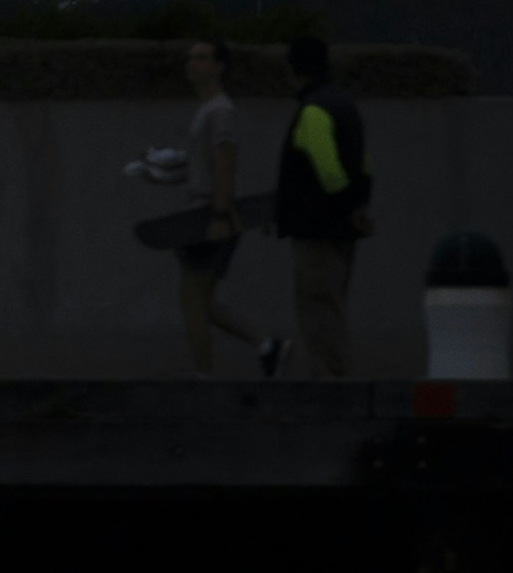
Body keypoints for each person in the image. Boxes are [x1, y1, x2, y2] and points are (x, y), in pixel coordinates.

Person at [153, 39, 275, 377]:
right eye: (190, 58)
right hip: (200, 213)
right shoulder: (206, 111)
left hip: (208, 214)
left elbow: (225, 164)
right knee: (201, 303)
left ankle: (204, 379)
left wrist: (219, 216)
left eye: (203, 58)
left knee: (192, 301)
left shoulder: (221, 111)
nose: (193, 64)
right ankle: (267, 345)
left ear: (220, 66)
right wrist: (158, 173)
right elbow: (201, 166)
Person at [276, 33, 373, 377]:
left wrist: (344, 204)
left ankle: (333, 387)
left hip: (316, 229)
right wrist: (359, 207)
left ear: (294, 69)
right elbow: (363, 163)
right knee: (332, 305)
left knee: (318, 311)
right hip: (343, 230)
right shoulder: (345, 105)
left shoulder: (314, 110)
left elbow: (328, 171)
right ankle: (334, 383)